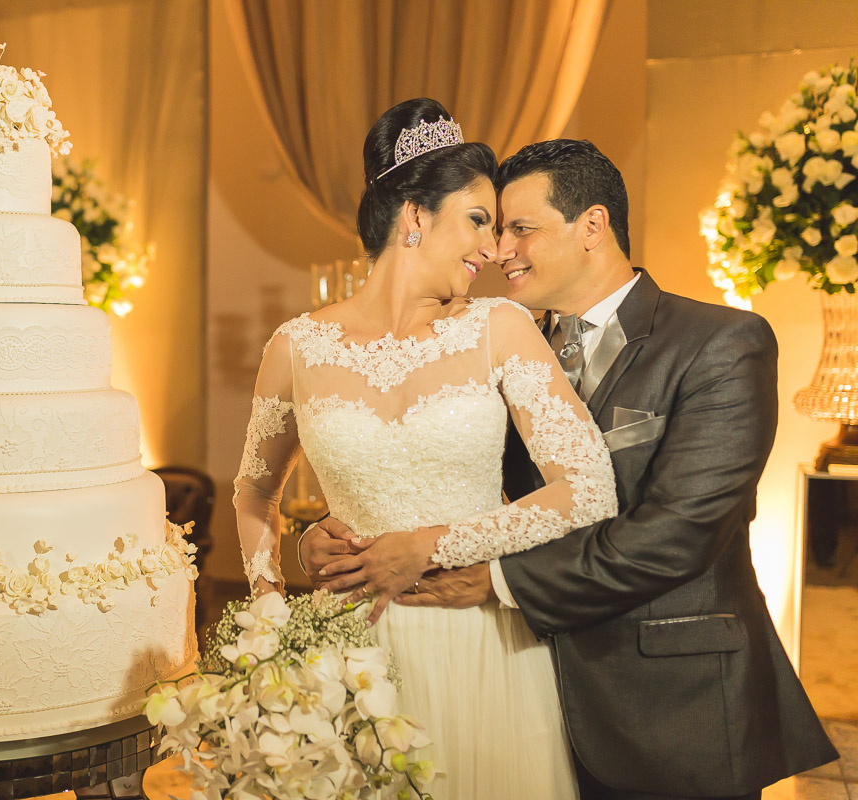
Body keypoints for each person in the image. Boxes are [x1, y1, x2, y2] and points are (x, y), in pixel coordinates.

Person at [301, 138, 840, 800]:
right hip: (526, 693)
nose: (498, 251)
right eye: (494, 230)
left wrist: (497, 579)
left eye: (520, 229)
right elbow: (447, 469)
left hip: (670, 703)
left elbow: (681, 534)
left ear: (593, 225)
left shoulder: (721, 342)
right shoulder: (498, 341)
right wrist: (339, 525)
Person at [233, 99, 619, 799]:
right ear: (413, 216)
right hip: (344, 652)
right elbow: (254, 492)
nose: (493, 248)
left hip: (476, 641)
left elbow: (589, 487)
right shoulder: (297, 345)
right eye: (477, 220)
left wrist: (433, 543)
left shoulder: (499, 327)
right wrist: (269, 600)